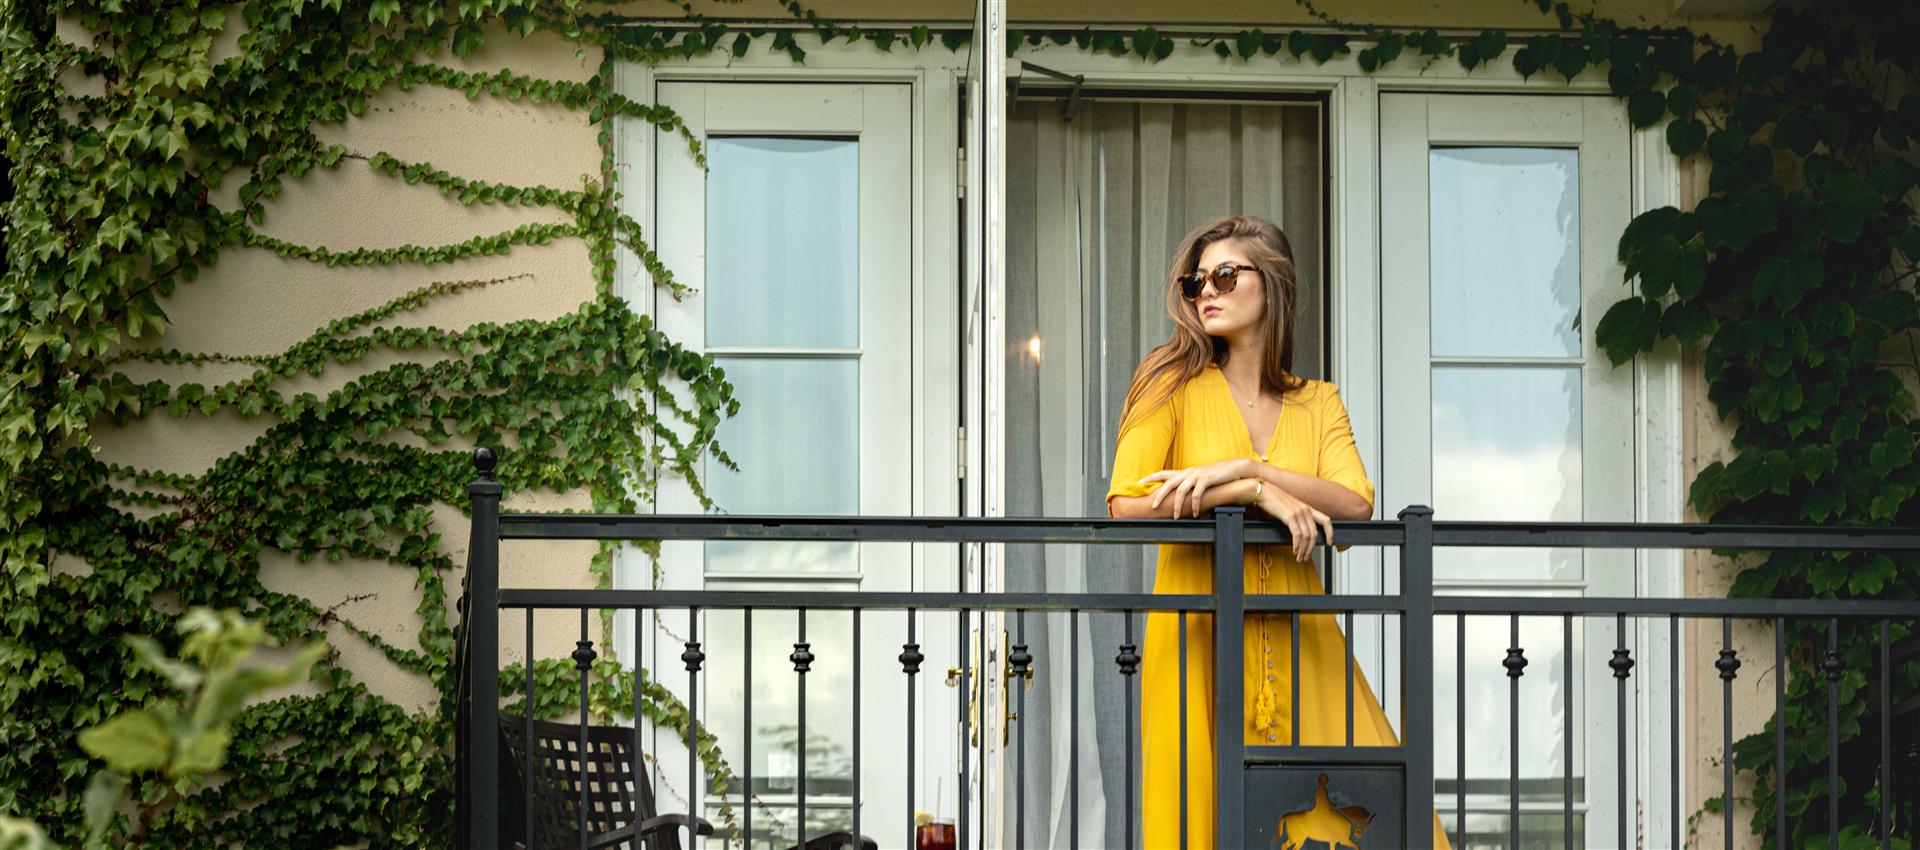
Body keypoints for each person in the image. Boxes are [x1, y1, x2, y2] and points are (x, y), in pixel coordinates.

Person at [1105, 215, 1450, 849]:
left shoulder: (1318, 402)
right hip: (1197, 633)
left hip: (1304, 635)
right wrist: (1250, 493)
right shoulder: (1169, 378)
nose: (1206, 290)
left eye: (1225, 275)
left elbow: (1352, 503)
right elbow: (1128, 502)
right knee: (1201, 815)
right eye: (1196, 281)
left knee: (1378, 814)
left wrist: (1249, 467)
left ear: (1273, 286)